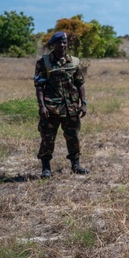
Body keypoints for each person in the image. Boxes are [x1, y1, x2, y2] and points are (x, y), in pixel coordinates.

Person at [34, 31, 89, 178]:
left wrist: (83, 103)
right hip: (51, 108)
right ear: (53, 44)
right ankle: (46, 168)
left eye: (65, 42)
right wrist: (42, 106)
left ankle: (76, 165)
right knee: (48, 138)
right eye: (60, 42)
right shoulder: (44, 62)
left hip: (71, 108)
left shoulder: (74, 62)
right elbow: (39, 86)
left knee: (73, 137)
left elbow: (80, 84)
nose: (63, 45)